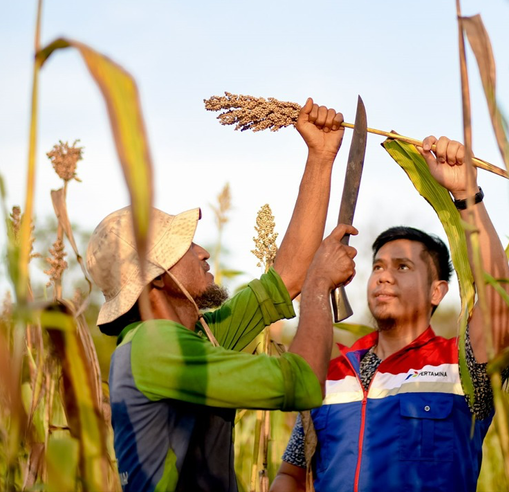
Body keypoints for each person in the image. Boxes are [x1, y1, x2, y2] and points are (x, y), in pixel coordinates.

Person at [85, 98, 358, 492]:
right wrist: (319, 287)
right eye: (185, 247)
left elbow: (287, 277)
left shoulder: (195, 337)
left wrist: (320, 156)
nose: (203, 252)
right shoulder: (156, 349)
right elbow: (303, 383)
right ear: (158, 279)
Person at [271, 136, 509, 492]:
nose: (384, 275)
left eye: (402, 267)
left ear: (438, 291)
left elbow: (500, 303)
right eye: (379, 266)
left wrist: (467, 196)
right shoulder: (330, 373)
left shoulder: (460, 366)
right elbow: (291, 474)